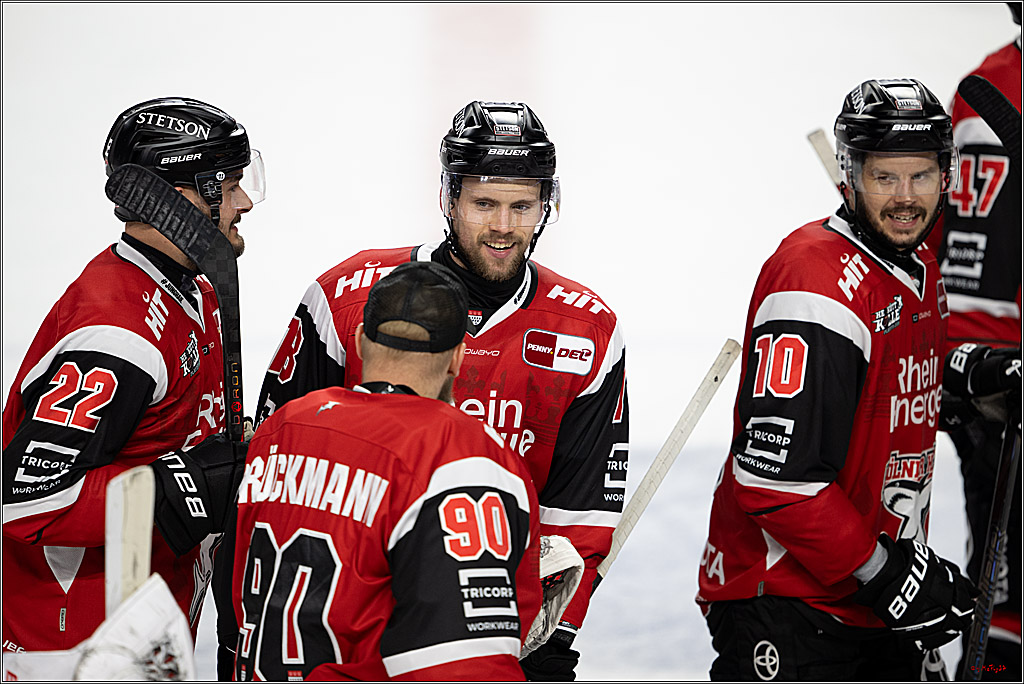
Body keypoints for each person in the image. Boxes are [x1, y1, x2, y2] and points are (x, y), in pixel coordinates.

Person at [255, 100, 628, 680]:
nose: (503, 226)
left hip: (490, 627)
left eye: (521, 206)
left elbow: (579, 512)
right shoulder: (348, 297)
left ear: (545, 207)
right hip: (343, 622)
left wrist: (553, 633)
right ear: (448, 198)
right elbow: (271, 470)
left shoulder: (587, 329)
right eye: (484, 203)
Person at [695, 79, 978, 680]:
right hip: (791, 605)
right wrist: (891, 578)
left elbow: (886, 380)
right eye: (885, 177)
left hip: (864, 595)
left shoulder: (916, 261)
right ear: (850, 174)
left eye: (922, 176)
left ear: (946, 175)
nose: (906, 198)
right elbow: (775, 480)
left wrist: (971, 371)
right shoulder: (814, 286)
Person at [2, 97, 264, 654]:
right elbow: (24, 501)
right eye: (230, 183)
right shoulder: (118, 333)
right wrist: (180, 487)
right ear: (182, 197)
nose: (244, 202)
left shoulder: (192, 286)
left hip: (143, 626)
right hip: (73, 646)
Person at [232, 261, 542, 680]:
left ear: (359, 341)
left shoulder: (281, 430)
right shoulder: (461, 455)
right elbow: (467, 665)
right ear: (457, 358)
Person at [924, 6, 1022, 679]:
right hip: (1005, 369)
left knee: (1002, 575)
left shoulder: (978, 83)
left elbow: (935, 236)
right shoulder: (991, 88)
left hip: (965, 363)